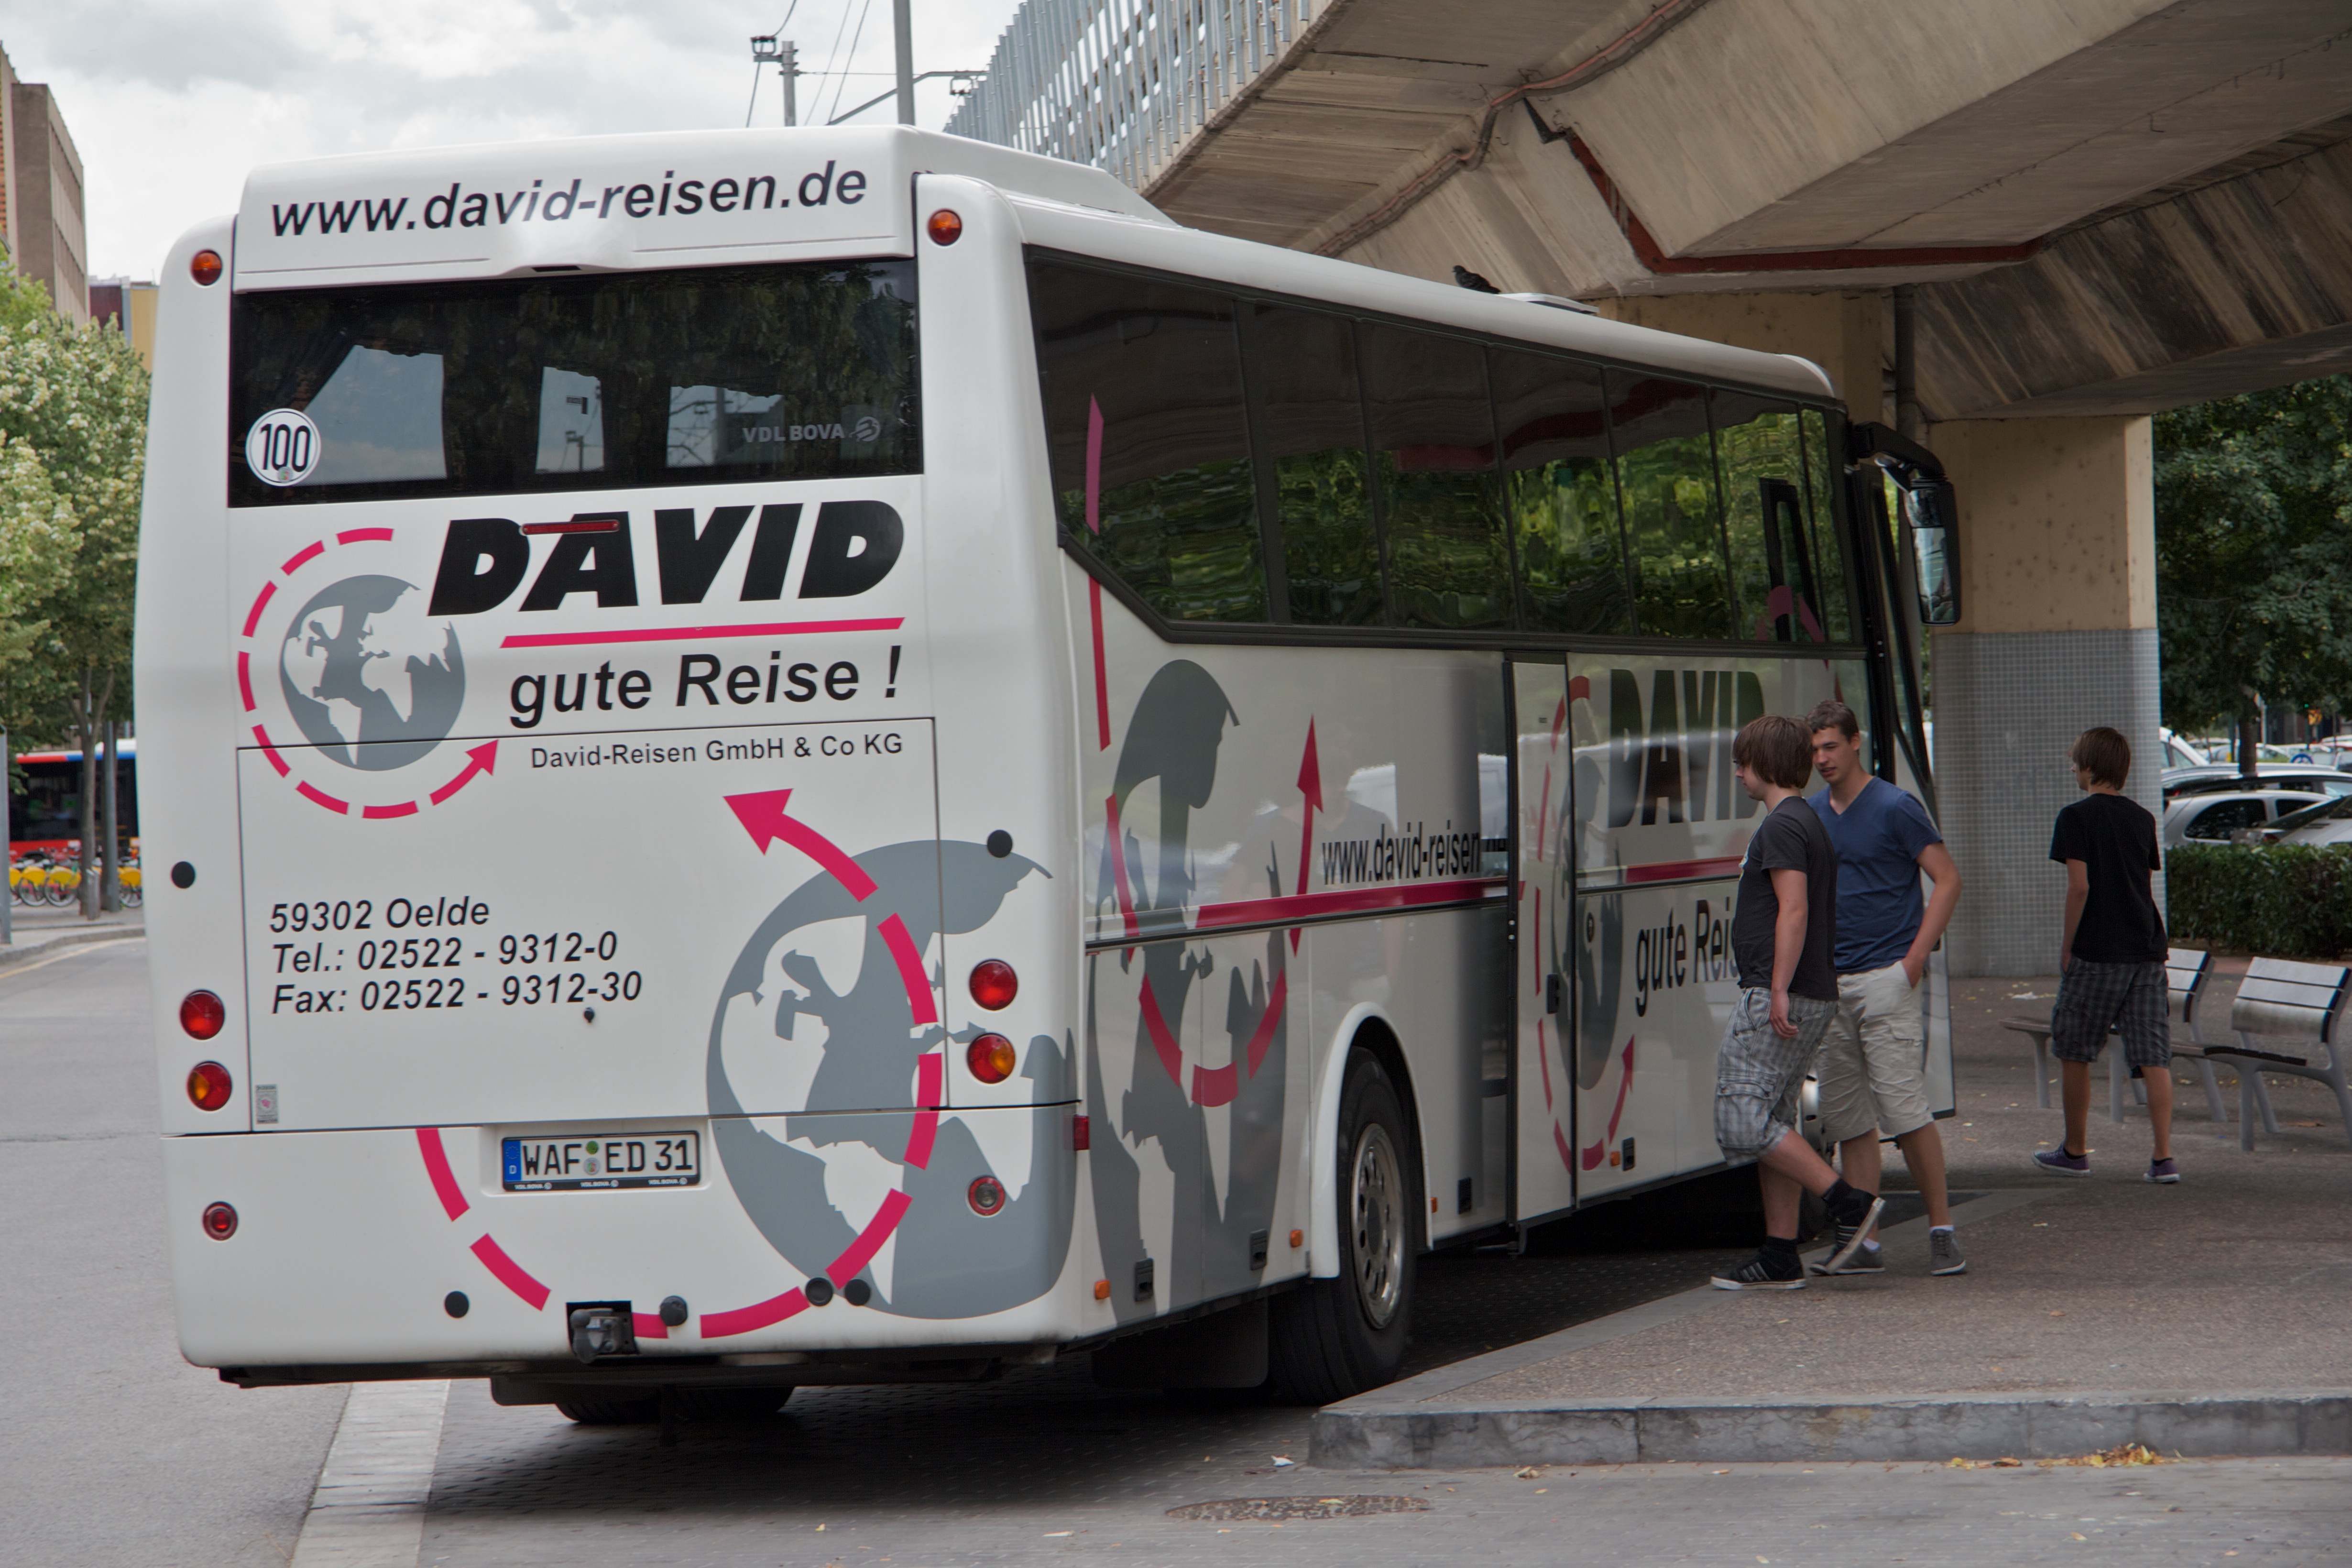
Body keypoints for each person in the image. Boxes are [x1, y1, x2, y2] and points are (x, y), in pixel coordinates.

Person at [1711, 713, 1886, 1290]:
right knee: (1774, 1120)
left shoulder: (1784, 826)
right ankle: (1779, 1252)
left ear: (1763, 765)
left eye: (1742, 763)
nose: (1737, 773)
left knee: (1741, 1116)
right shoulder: (1805, 821)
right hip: (1810, 991)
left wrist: (1777, 988)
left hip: (1781, 990)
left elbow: (1793, 909)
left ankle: (1847, 1202)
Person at [1804, 700, 1968, 1277]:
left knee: (1904, 1110)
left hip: (1885, 979)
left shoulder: (1895, 806)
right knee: (1848, 1118)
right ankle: (1863, 1243)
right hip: (1832, 984)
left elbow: (1946, 879)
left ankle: (1941, 1231)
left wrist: (1913, 960)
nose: (1821, 759)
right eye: (1814, 750)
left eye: (1830, 746)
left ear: (1855, 742)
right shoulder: (1811, 814)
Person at [2034, 727, 2177, 1182]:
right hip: (2147, 948)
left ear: (2090, 767)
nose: (2071, 767)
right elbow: (2140, 883)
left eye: (2075, 761)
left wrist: (2067, 945)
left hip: (2098, 949)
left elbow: (2080, 887)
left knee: (2074, 1047)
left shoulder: (2075, 817)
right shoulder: (2142, 819)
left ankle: (2075, 1150)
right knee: (2152, 1053)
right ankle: (2163, 1158)